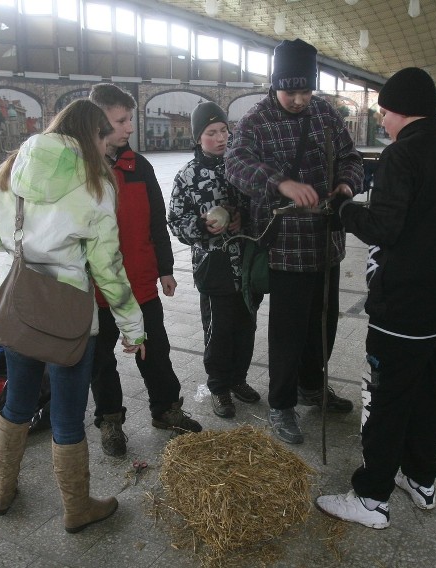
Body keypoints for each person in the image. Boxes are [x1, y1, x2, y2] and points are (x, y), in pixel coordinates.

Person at [315, 67, 436, 529]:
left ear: (400, 112)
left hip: (408, 303)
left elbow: (385, 227)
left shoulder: (401, 155)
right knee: (429, 388)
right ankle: (421, 476)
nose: (382, 122)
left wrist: (344, 211)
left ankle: (371, 498)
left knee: (386, 398)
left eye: (384, 113)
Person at [0, 99, 145, 533]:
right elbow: (107, 267)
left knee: (17, 401)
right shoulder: (95, 184)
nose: (108, 145)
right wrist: (132, 325)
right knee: (68, 415)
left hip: (23, 306)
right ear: (93, 134)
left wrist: (28, 246)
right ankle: (77, 508)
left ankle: (1, 491)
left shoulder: (12, 167)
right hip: (71, 315)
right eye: (105, 137)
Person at [225, 38, 363, 444]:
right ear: (275, 85)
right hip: (284, 245)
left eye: (306, 91)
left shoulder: (325, 112)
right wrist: (281, 184)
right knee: (287, 332)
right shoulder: (256, 119)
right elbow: (235, 165)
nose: (300, 99)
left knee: (325, 323)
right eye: (292, 92)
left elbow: (353, 159)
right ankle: (282, 404)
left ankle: (312, 386)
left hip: (327, 242)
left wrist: (345, 185)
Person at [89, 83, 201, 458]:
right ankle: (109, 418)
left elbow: (157, 219)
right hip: (96, 289)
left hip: (140, 283)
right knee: (100, 358)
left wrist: (166, 268)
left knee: (155, 350)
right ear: (98, 121)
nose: (129, 127)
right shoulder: (80, 170)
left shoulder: (140, 166)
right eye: (121, 121)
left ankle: (166, 409)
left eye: (129, 119)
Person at [168, 102, 261, 419]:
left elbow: (261, 207)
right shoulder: (188, 177)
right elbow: (175, 221)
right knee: (219, 331)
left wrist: (242, 219)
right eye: (211, 133)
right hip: (214, 266)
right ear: (198, 138)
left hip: (246, 264)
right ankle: (219, 387)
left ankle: (239, 380)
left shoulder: (243, 167)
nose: (221, 137)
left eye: (224, 130)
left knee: (246, 326)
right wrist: (201, 227)